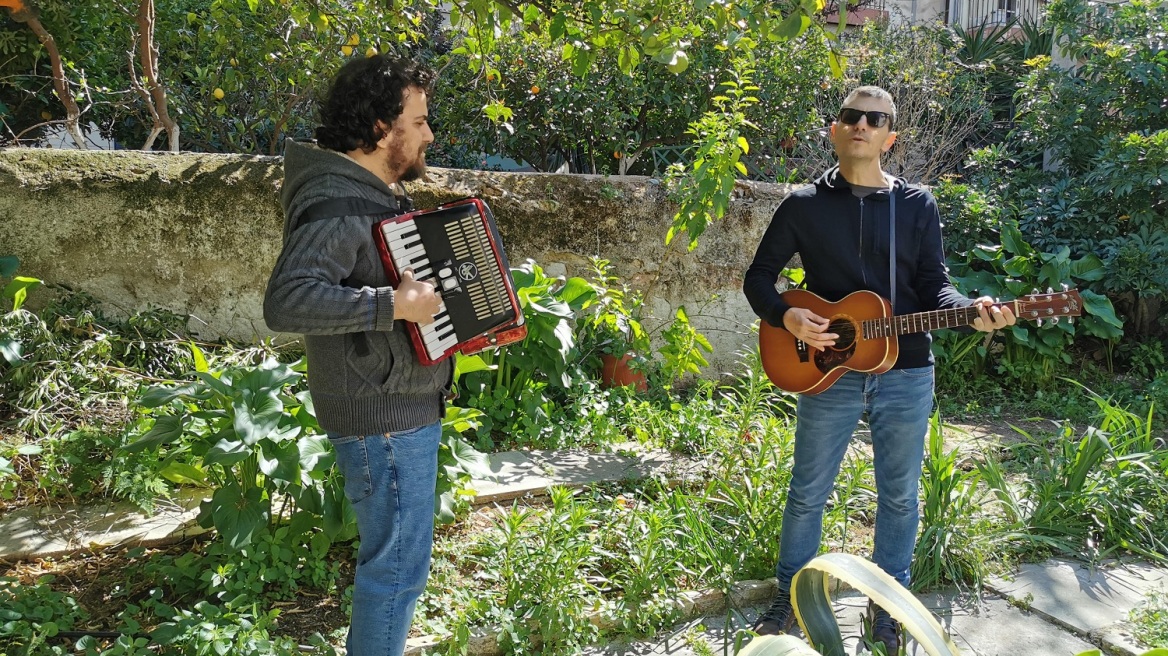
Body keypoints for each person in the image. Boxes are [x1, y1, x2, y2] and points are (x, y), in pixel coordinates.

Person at [742, 86, 1015, 651]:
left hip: (906, 371)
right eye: (851, 116)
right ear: (835, 130)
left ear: (890, 138)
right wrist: (787, 317)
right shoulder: (802, 204)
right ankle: (789, 597)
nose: (861, 124)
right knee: (807, 491)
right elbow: (758, 277)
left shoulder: (916, 205)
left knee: (898, 495)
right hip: (826, 368)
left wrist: (972, 312)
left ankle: (888, 609)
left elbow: (935, 288)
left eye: (876, 118)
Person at [263, 55, 447, 656]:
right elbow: (289, 300)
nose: (427, 135)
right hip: (383, 418)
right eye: (417, 123)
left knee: (397, 568)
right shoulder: (338, 201)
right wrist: (392, 305)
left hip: (397, 406)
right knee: (394, 573)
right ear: (377, 129)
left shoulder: (368, 194)